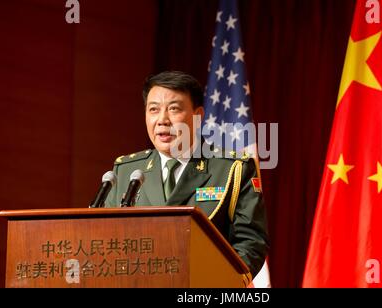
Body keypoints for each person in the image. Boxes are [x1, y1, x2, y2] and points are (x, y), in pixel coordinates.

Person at [104, 71, 269, 279]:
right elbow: (106, 239)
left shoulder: (231, 169)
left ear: (198, 116)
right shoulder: (126, 170)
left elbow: (250, 242)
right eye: (153, 109)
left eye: (174, 109)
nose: (163, 120)